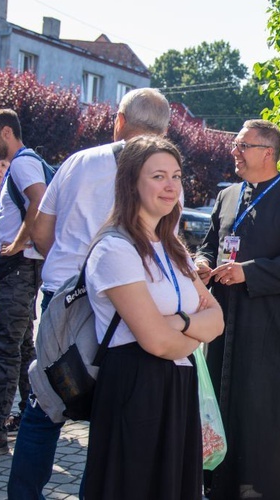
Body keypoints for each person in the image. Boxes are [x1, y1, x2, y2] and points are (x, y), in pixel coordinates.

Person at [9, 87, 171, 499]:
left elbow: (42, 231)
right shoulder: (166, 176)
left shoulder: (80, 161)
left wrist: (68, 264)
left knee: (45, 406)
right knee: (110, 414)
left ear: (119, 120)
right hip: (125, 307)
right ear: (166, 128)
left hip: (63, 301)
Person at [83, 135, 224, 499]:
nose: (171, 186)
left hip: (179, 386)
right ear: (131, 182)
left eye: (176, 176)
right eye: (158, 176)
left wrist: (179, 323)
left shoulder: (174, 247)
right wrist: (194, 329)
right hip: (134, 387)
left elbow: (217, 319)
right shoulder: (115, 248)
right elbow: (155, 341)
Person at [195, 119, 280, 499]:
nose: (234, 151)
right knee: (222, 403)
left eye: (242, 145)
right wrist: (201, 263)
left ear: (267, 153)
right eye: (236, 144)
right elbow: (209, 243)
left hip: (269, 329)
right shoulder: (227, 195)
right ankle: (219, 484)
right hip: (224, 322)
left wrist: (247, 273)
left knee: (261, 412)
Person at [0, 109, 46, 456]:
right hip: (18, 270)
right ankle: (30, 417)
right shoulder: (23, 163)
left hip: (19, 269)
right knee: (23, 347)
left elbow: (38, 201)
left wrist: (21, 240)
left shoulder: (23, 162)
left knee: (4, 349)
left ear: (6, 132)